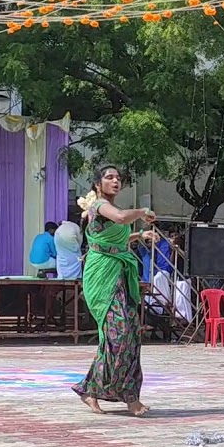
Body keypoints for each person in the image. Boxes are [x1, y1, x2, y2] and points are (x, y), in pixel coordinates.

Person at [71, 165, 156, 416]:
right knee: (119, 334)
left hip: (120, 273)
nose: (116, 181)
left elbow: (115, 237)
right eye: (109, 177)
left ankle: (125, 396)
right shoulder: (99, 206)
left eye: (118, 178)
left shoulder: (111, 208)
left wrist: (139, 234)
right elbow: (119, 218)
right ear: (98, 184)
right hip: (101, 276)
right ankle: (99, 390)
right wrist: (142, 212)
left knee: (130, 334)